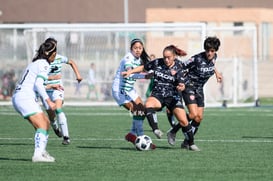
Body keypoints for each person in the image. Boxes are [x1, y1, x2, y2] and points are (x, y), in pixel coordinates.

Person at [122, 45, 200, 151]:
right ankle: (156, 129)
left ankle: (191, 143)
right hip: (158, 94)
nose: (166, 60)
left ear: (174, 57)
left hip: (173, 96)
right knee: (147, 105)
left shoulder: (179, 66)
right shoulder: (157, 62)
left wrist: (181, 86)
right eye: (164, 57)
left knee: (184, 122)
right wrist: (130, 72)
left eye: (168, 57)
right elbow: (143, 67)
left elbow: (182, 82)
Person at [167, 36, 222, 150]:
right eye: (207, 50)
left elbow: (212, 65)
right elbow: (181, 66)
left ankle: (186, 141)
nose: (209, 53)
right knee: (192, 114)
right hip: (188, 86)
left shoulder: (214, 57)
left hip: (199, 88)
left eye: (212, 51)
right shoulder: (196, 59)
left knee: (198, 118)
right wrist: (178, 79)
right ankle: (173, 131)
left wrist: (217, 73)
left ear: (215, 51)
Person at [12, 40, 60, 162]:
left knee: (45, 123)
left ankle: (41, 152)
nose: (56, 54)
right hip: (25, 98)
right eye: (56, 51)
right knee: (42, 124)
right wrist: (49, 101)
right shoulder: (44, 64)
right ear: (52, 53)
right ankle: (37, 156)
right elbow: (38, 84)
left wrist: (50, 87)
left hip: (22, 96)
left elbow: (34, 84)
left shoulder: (36, 63)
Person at [112, 38, 156, 150]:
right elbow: (130, 73)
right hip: (120, 90)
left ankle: (131, 134)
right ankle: (139, 137)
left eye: (140, 48)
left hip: (130, 89)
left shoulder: (141, 59)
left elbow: (148, 69)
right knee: (137, 111)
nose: (138, 50)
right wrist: (145, 76)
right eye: (135, 48)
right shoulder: (128, 58)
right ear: (131, 49)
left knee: (142, 109)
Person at [41, 37, 83, 145]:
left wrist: (78, 74)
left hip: (57, 89)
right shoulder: (41, 62)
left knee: (58, 109)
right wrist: (51, 79)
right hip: (45, 89)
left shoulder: (59, 58)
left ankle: (66, 137)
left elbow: (71, 62)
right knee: (51, 114)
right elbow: (38, 77)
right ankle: (55, 126)